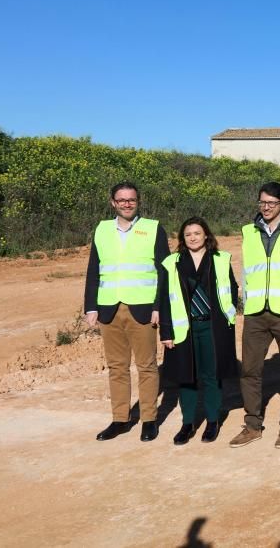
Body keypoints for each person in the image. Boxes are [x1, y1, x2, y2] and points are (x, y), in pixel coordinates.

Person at [230, 182, 280, 449]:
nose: (266, 208)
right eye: (262, 203)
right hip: (255, 313)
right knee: (250, 371)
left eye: (272, 203)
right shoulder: (248, 232)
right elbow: (247, 272)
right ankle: (252, 425)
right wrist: (245, 305)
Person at [85, 181, 170, 442]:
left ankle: (149, 420)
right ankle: (120, 420)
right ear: (113, 202)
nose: (126, 204)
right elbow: (93, 270)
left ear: (138, 201)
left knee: (146, 366)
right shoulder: (101, 230)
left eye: (131, 199)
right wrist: (90, 306)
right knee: (116, 367)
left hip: (143, 309)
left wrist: (159, 307)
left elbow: (164, 271)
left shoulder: (153, 228)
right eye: (121, 200)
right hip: (108, 309)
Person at [158, 217, 239, 445]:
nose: (193, 237)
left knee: (212, 375)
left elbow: (231, 288)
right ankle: (188, 424)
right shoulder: (172, 262)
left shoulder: (220, 259)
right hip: (185, 328)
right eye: (188, 234)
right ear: (183, 239)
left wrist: (228, 315)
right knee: (187, 377)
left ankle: (212, 421)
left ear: (206, 235)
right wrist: (166, 331)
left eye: (197, 233)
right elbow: (164, 297)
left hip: (214, 327)